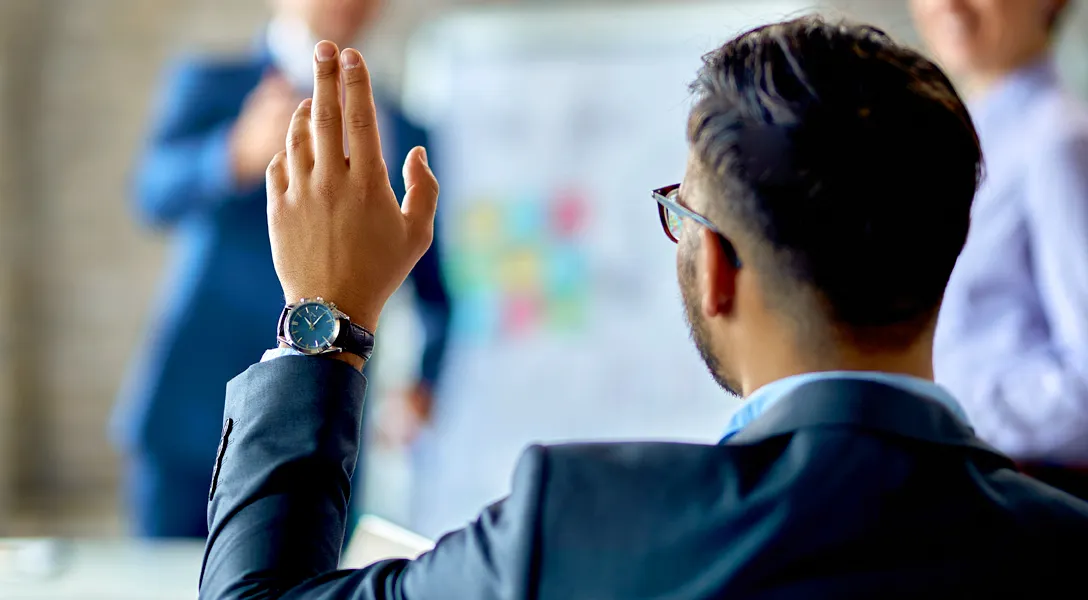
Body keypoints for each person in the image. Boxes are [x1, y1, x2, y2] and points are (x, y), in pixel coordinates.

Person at [199, 18, 1088, 599]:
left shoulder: (577, 525)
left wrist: (324, 321)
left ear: (718, 269)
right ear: (945, 257)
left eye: (683, 213)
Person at [114, 0, 450, 538]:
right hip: (195, 403)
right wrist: (231, 153)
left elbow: (437, 278)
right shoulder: (214, 82)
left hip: (325, 416)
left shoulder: (405, 128)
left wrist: (426, 378)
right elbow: (151, 195)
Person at [911, 0, 1088, 498]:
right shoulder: (956, 138)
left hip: (1024, 496)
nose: (947, 4)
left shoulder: (1057, 142)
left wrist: (940, 411)